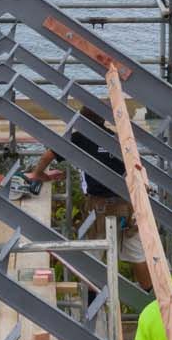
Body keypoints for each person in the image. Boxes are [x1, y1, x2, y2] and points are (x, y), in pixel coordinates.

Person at [24, 106, 152, 290]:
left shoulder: (80, 138)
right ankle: (150, 298)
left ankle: (93, 304)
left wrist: (38, 174)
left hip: (99, 207)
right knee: (135, 253)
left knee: (94, 257)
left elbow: (48, 155)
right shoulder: (116, 138)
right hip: (126, 204)